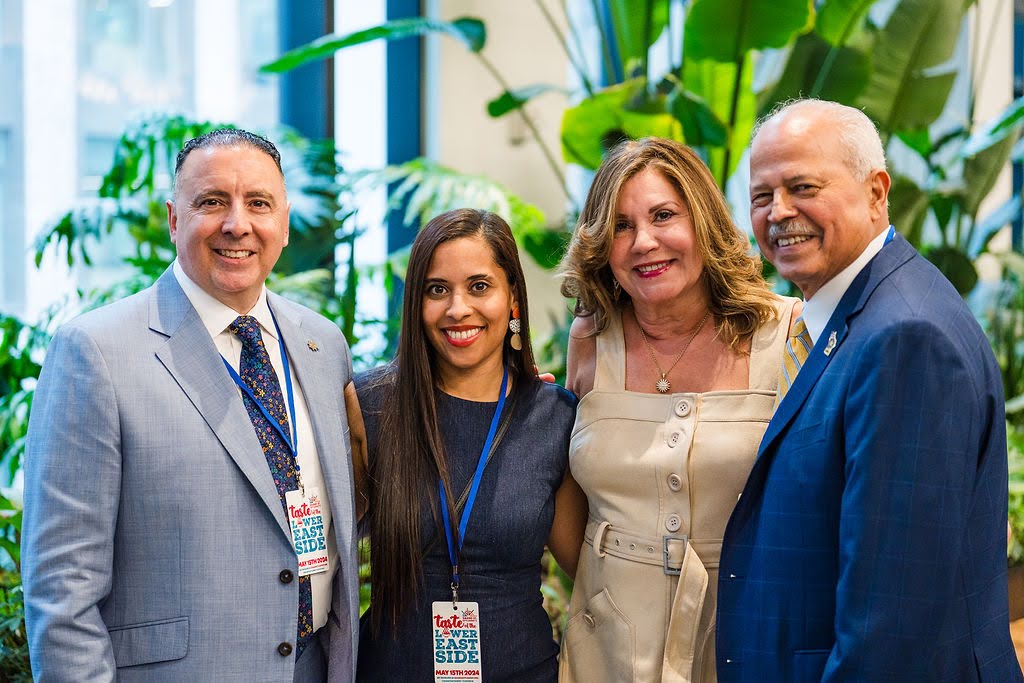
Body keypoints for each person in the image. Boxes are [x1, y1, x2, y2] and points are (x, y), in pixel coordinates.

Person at [22, 129, 360, 681]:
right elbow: (62, 591)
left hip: (315, 666)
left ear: (284, 221)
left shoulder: (321, 345)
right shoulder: (96, 353)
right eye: (211, 202)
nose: (237, 224)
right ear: (175, 219)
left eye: (258, 203)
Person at [716, 99, 1022, 681]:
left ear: (877, 192)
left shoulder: (906, 338)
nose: (779, 212)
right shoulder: (841, 317)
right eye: (762, 196)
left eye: (803, 186)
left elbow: (894, 626)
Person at [558, 137, 796, 682]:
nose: (644, 242)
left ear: (704, 224)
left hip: (742, 631)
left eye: (664, 215)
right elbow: (566, 491)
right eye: (620, 226)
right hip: (609, 643)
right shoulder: (590, 338)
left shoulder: (786, 334)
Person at [349, 208, 586, 681]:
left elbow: (590, 570)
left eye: (480, 286)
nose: (458, 309)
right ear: (416, 302)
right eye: (437, 290)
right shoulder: (371, 405)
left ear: (512, 298)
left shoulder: (553, 418)